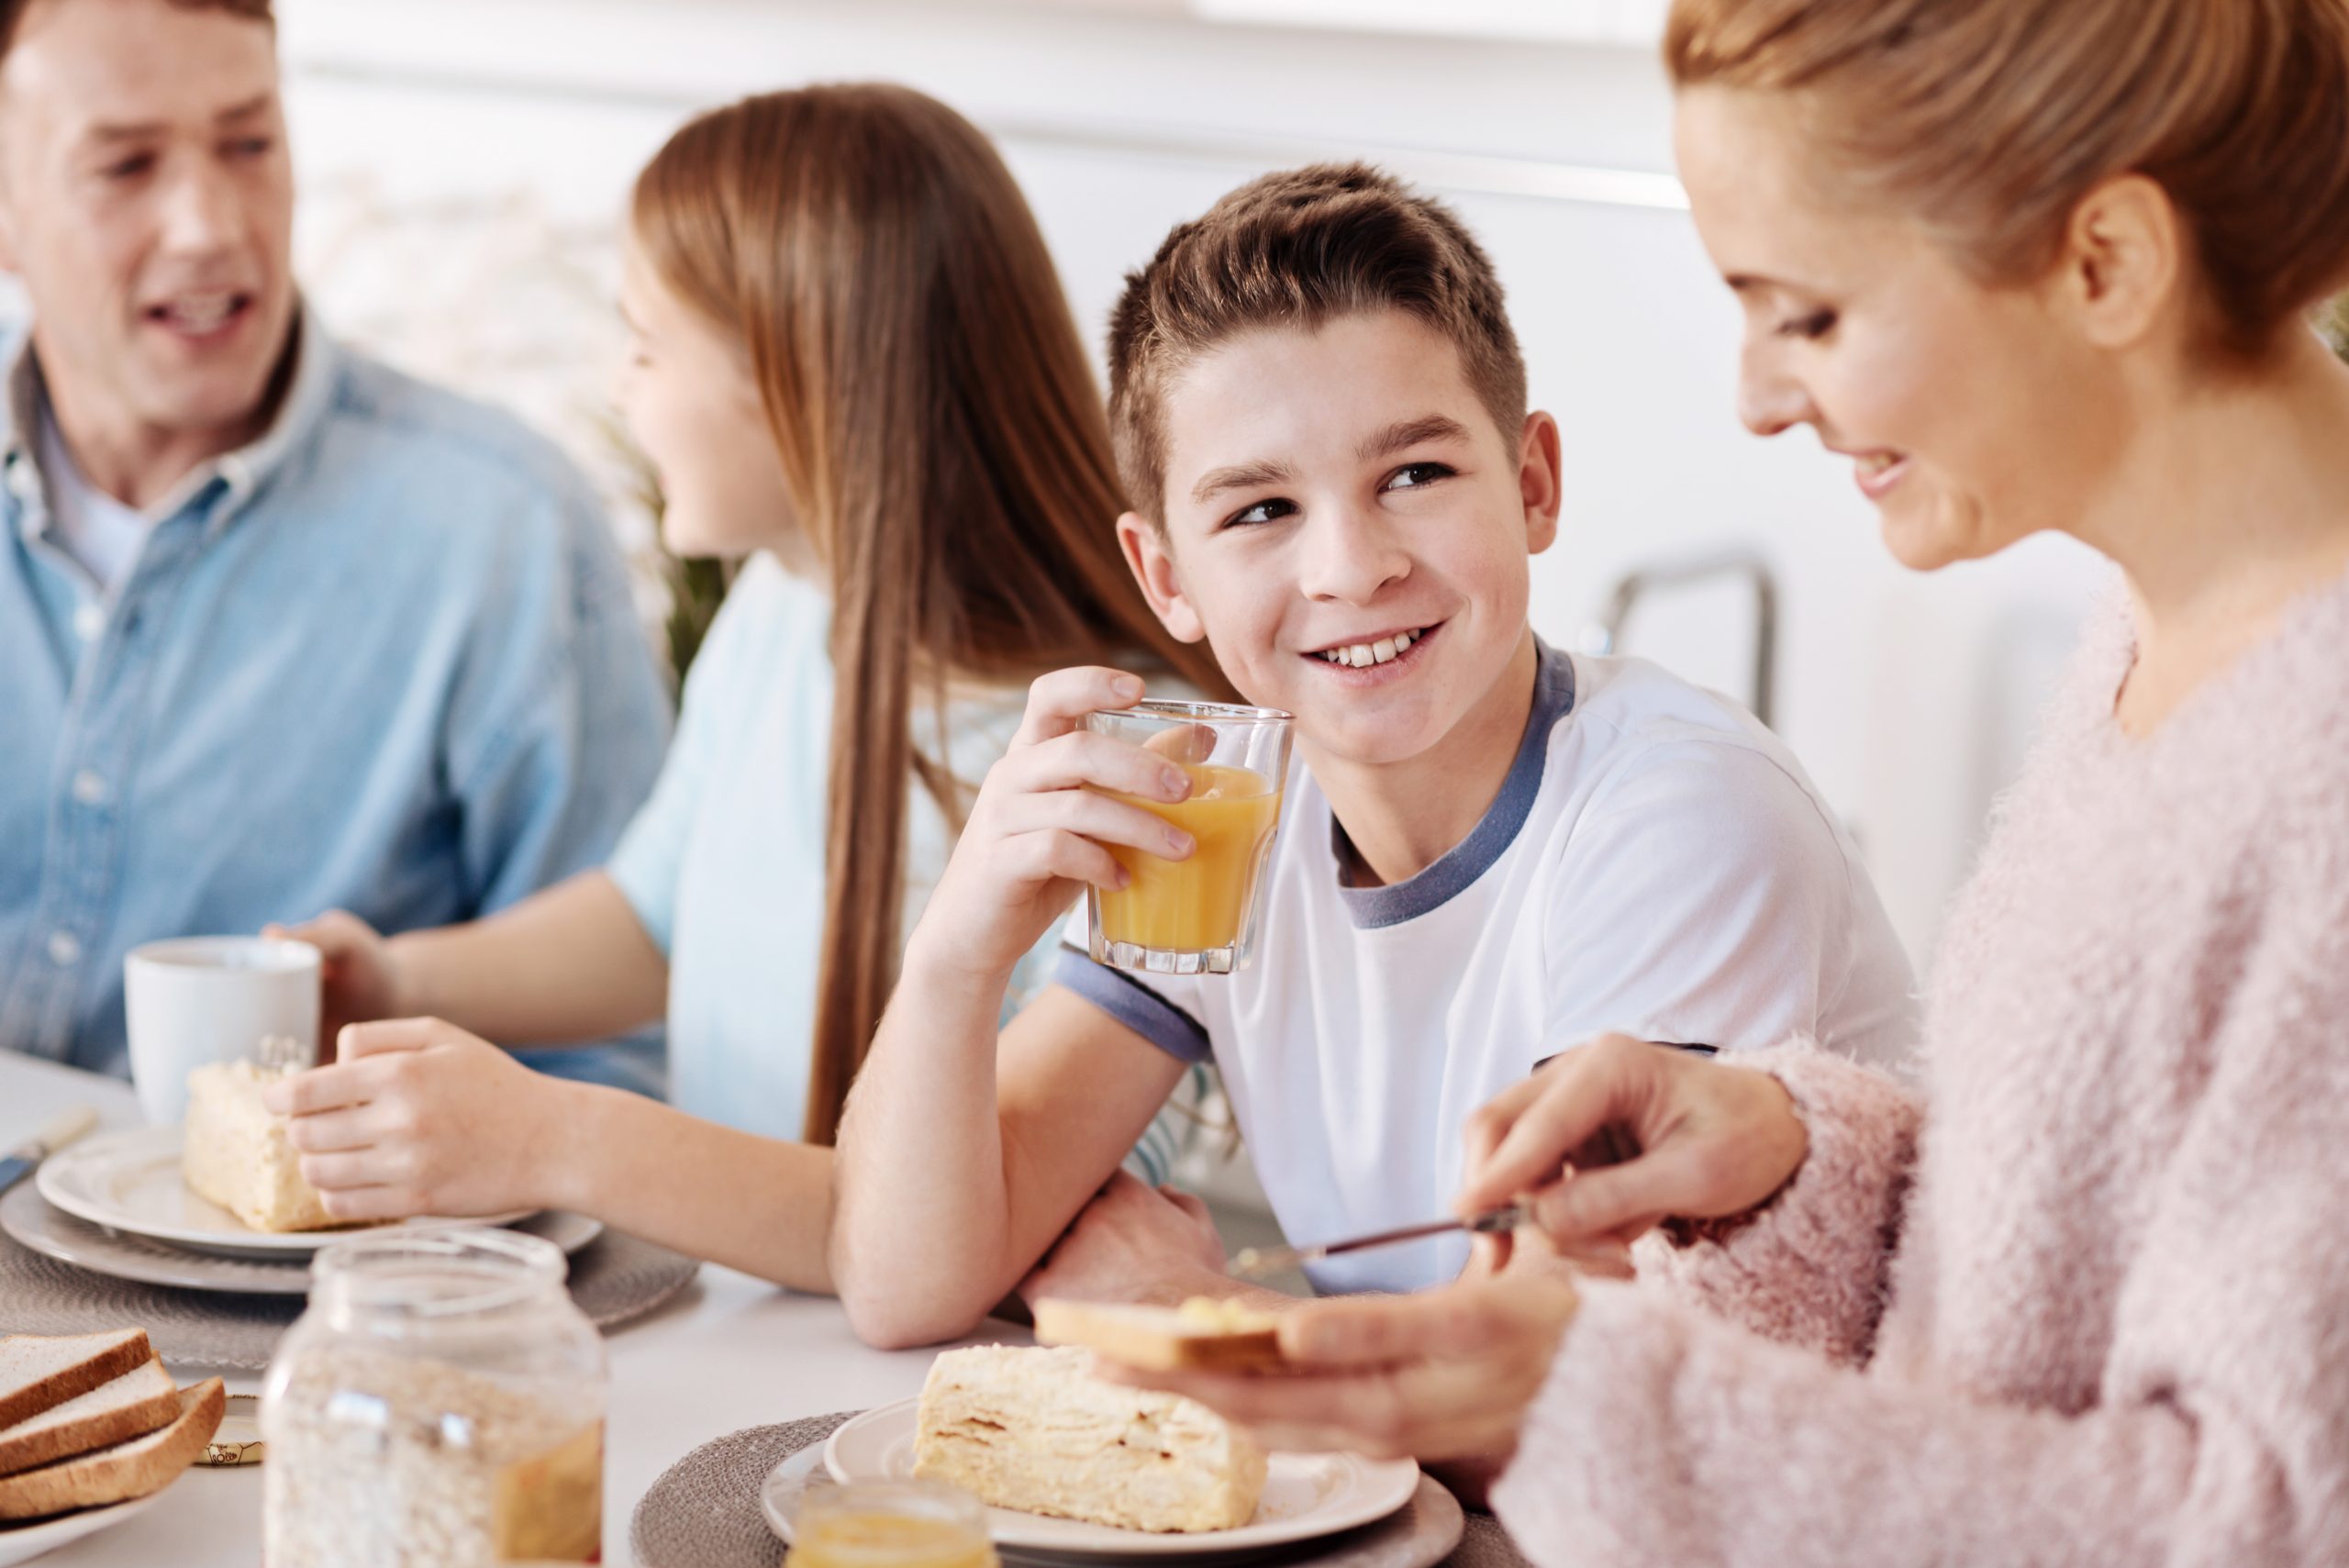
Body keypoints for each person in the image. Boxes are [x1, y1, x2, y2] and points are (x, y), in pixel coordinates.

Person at [1118, 4, 2349, 1564]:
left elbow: (2271, 1522)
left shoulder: (2320, 768)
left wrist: (1591, 1402)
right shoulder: (2164, 632)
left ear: (2103, 262)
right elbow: (2062, 1263)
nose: (1761, 395)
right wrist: (1785, 1154)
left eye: (1810, 314)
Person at [830, 162, 1918, 1349]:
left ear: (1534, 483)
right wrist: (956, 957)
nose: (1351, 568)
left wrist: (1183, 1308)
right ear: (1165, 577)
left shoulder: (1679, 812)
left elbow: (1577, 1374)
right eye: (1260, 511)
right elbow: (903, 1287)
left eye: (1414, 475)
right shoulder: (1223, 810)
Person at [262, 84, 1230, 1291]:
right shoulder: (780, 609)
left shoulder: (1120, 760)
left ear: (798, 382)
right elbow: (655, 918)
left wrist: (550, 1137)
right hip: (727, 1338)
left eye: (647, 344)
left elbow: (972, 1224)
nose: (622, 388)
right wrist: (404, 979)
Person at [0, 0, 670, 1089]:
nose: (211, 225)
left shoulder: (504, 530)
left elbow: (614, 1062)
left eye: (248, 143)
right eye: (124, 166)